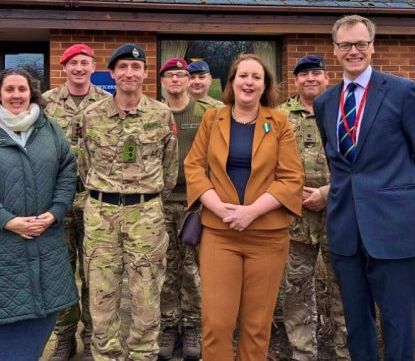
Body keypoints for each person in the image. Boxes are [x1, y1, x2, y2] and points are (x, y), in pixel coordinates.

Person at [313, 15, 415, 361]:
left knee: (398, 325)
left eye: (360, 44)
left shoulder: (402, 91)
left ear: (372, 46)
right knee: (356, 324)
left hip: (394, 228)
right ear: (335, 50)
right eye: (345, 45)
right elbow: (339, 165)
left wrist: (404, 203)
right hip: (346, 230)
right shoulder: (325, 103)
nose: (353, 51)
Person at [184, 53, 304, 361]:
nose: (249, 82)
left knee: (256, 325)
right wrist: (221, 209)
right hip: (219, 234)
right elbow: (194, 168)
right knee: (217, 323)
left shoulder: (279, 122)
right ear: (232, 82)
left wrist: (251, 212)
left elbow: (291, 178)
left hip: (267, 235)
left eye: (256, 77)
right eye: (243, 76)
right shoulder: (213, 119)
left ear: (265, 86)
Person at [0, 67, 78, 361]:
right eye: (9, 89)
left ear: (31, 93)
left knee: (44, 314)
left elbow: (67, 173)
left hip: (45, 237)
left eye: (22, 89)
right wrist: (6, 220)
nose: (16, 95)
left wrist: (55, 213)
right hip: (0, 244)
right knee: (3, 319)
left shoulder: (50, 130)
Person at [76, 43, 178, 361]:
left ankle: (143, 353)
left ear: (145, 74)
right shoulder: (91, 116)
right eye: (122, 67)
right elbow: (83, 164)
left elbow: (170, 169)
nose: (129, 73)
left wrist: (146, 198)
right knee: (102, 292)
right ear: (112, 74)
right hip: (101, 214)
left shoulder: (161, 115)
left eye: (135, 67)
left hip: (146, 212)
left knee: (146, 291)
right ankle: (106, 355)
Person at [277, 55, 351, 361]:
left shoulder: (346, 111)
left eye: (317, 73)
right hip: (296, 218)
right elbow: (268, 165)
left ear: (326, 77)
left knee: (346, 288)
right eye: (304, 74)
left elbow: (362, 164)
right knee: (295, 289)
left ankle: (347, 352)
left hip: (342, 214)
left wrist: (326, 192)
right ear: (295, 81)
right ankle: (302, 352)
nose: (311, 78)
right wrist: (295, 195)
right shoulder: (279, 116)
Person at [43, 44, 110, 361]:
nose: (80, 68)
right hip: (57, 198)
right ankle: (65, 337)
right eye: (74, 63)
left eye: (85, 62)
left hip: (95, 198)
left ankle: (93, 335)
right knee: (61, 273)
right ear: (64, 67)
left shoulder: (107, 103)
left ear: (93, 67)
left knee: (96, 273)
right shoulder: (45, 103)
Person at [158, 57, 214, 361]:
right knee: (165, 267)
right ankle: (169, 326)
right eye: (171, 75)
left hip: (196, 203)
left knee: (193, 267)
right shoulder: (153, 112)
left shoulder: (208, 112)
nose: (177, 79)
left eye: (182, 74)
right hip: (161, 202)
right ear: (163, 81)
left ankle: (192, 325)